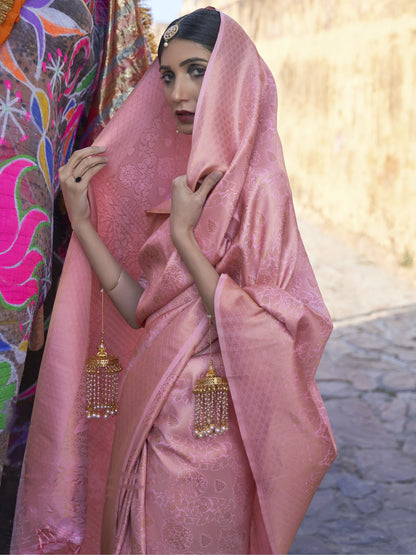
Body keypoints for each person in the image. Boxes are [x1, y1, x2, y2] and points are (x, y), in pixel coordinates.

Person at [11, 8, 337, 554]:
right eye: (168, 75)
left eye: (197, 71)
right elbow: (145, 310)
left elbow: (277, 332)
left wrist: (185, 236)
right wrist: (83, 222)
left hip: (212, 441)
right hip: (152, 424)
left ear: (232, 78)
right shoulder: (183, 181)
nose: (178, 91)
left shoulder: (257, 190)